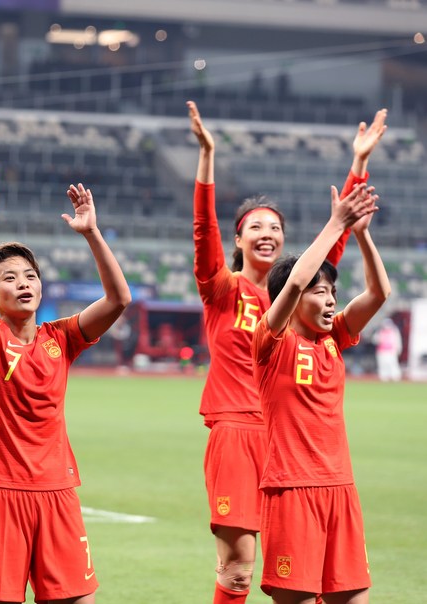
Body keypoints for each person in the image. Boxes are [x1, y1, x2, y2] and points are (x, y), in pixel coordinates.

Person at [186, 100, 387, 604]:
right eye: (256, 226)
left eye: (275, 227)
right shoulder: (221, 288)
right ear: (238, 241)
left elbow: (332, 250)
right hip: (238, 431)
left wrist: (357, 163)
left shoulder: (302, 310)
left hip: (294, 443)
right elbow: (203, 228)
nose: (268, 233)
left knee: (310, 573)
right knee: (237, 571)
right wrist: (207, 157)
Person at [0, 158, 131, 604]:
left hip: (57, 491)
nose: (24, 283)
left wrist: (91, 234)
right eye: (9, 278)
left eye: (31, 275)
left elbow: (119, 298)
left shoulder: (62, 338)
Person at [253, 182, 388, 603]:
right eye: (320, 292)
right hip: (292, 491)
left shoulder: (334, 339)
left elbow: (379, 293)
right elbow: (292, 284)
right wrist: (335, 225)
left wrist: (362, 234)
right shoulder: (270, 343)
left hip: (341, 489)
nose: (331, 301)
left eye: (332, 292)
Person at [372, 317, 402, 381]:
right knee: (383, 364)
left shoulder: (394, 331)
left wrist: (398, 349)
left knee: (393, 364)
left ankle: (395, 377)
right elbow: (375, 340)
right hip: (382, 351)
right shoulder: (380, 331)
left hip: (391, 351)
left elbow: (397, 341)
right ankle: (384, 377)